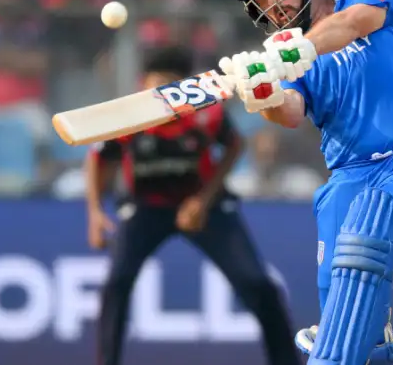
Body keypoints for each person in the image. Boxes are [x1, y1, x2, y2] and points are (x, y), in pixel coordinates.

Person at [217, 0, 393, 365]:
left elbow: (351, 24)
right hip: (349, 177)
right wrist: (263, 93)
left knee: (370, 220)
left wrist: (297, 51)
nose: (273, 2)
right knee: (348, 301)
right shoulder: (289, 64)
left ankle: (352, 344)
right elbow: (290, 112)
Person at [85, 46, 301, 365]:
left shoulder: (207, 112)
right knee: (116, 283)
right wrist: (95, 212)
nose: (162, 95)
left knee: (257, 284)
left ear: (184, 87)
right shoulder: (129, 116)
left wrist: (203, 200)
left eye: (170, 86)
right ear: (143, 84)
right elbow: (98, 159)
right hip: (146, 207)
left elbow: (234, 145)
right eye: (155, 85)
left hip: (203, 207)